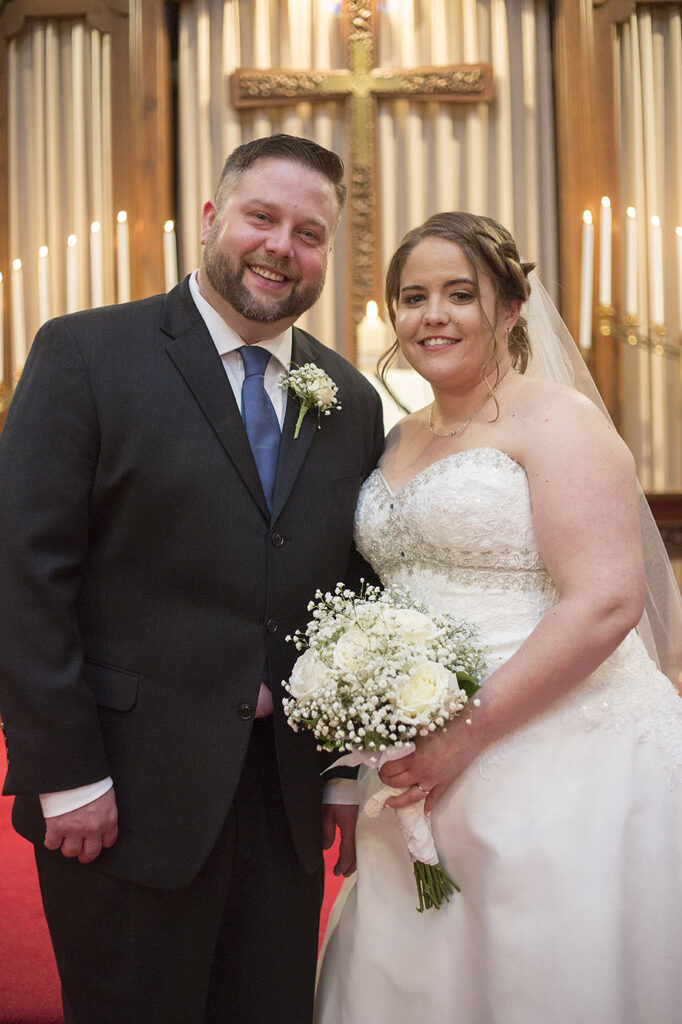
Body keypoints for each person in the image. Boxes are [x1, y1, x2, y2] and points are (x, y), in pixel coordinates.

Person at [0, 133, 384, 1024]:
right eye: (263, 217)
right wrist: (66, 774)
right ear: (213, 218)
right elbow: (23, 574)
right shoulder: (87, 355)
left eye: (309, 232)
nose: (282, 247)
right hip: (123, 797)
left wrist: (339, 774)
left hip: (280, 803)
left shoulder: (350, 399)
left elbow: (352, 592)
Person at [315, 211, 682, 1023]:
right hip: (412, 749)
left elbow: (607, 601)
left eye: (459, 294)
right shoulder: (396, 437)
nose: (432, 315)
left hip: (557, 742)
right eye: (413, 297)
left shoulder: (558, 422)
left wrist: (467, 733)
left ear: (512, 308)